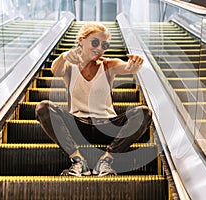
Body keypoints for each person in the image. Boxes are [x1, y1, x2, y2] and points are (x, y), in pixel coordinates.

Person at [35, 22, 152, 176]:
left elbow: (127, 67)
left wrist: (134, 65)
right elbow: (56, 70)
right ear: (81, 40)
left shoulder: (109, 64)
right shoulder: (70, 66)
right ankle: (78, 161)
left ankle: (106, 160)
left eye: (105, 45)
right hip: (78, 127)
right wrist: (63, 56)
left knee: (143, 112)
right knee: (43, 107)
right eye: (95, 42)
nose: (100, 49)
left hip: (107, 126)